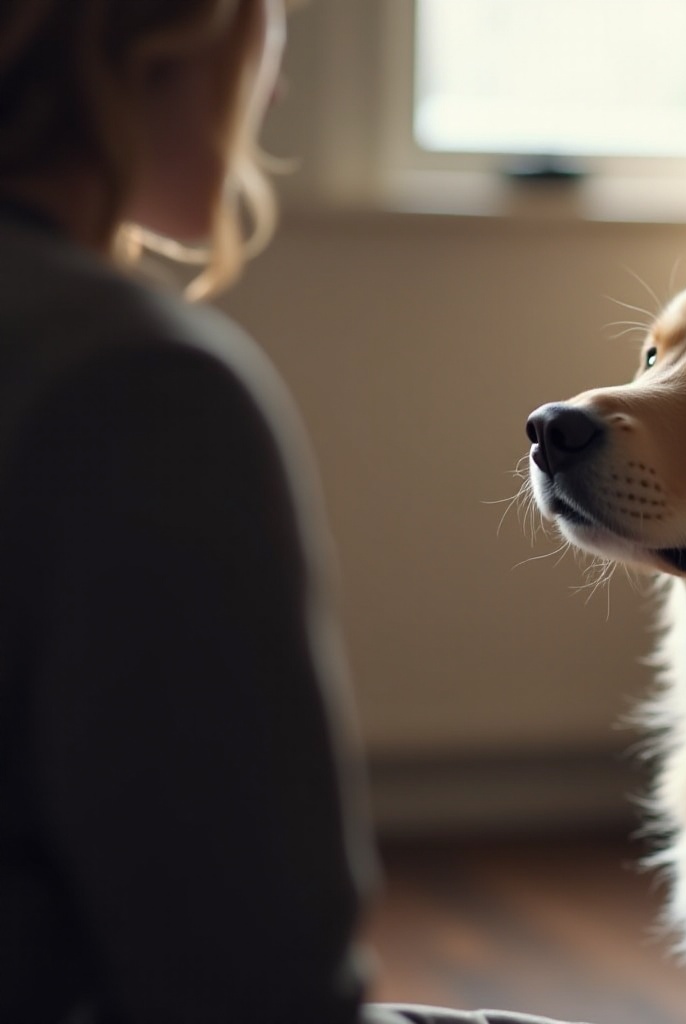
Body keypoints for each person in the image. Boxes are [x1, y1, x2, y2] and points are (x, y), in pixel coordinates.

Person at [0, 3, 588, 1023]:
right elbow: (256, 991)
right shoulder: (138, 389)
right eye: (266, 23)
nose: (271, 85)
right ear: (160, 42)